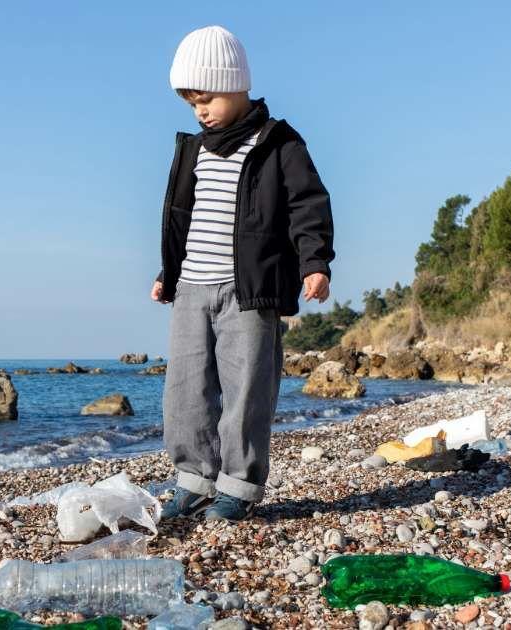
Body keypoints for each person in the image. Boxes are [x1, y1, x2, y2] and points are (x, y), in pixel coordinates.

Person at [151, 25, 335, 521]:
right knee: (186, 389)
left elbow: (307, 204)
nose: (200, 111)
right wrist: (167, 274)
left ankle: (237, 485)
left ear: (234, 83)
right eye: (191, 104)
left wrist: (315, 262)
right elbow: (181, 218)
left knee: (247, 389)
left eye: (206, 98)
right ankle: (193, 478)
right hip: (192, 287)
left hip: (250, 292)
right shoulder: (194, 148)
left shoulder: (278, 143)